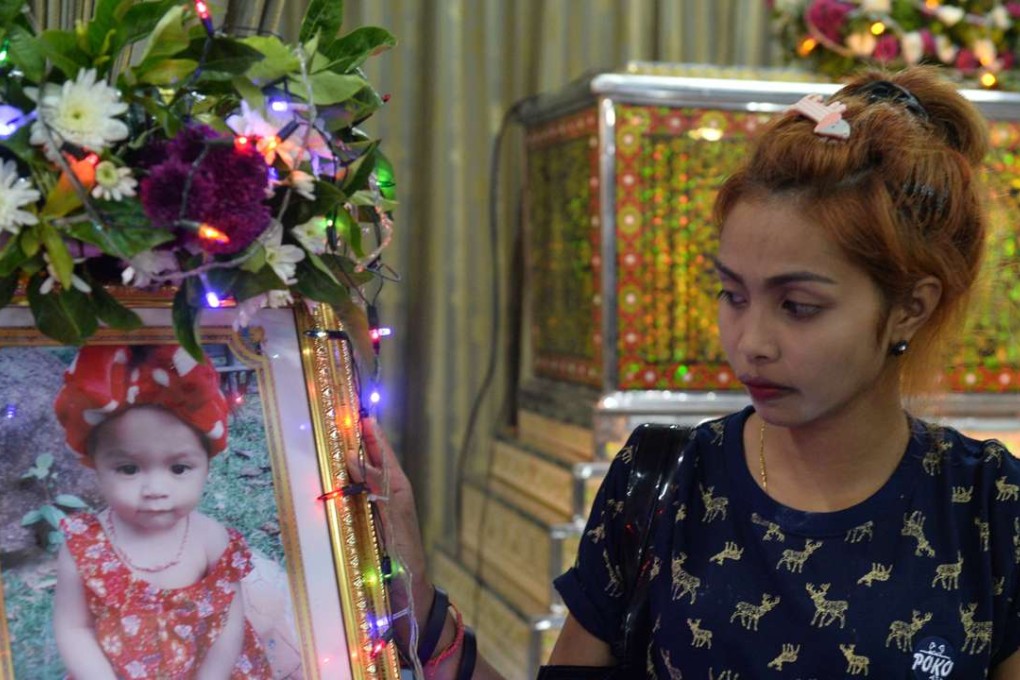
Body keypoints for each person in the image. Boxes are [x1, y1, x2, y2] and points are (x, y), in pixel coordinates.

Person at [352, 65, 1020, 679]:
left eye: (798, 306)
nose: (750, 343)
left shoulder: (989, 511)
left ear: (910, 306)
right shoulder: (662, 480)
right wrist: (414, 593)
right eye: (733, 295)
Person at [51, 344, 274, 679]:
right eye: (128, 469)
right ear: (94, 464)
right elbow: (73, 628)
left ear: (206, 465)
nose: (155, 489)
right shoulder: (85, 549)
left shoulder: (210, 539)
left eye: (179, 468)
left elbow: (228, 625)